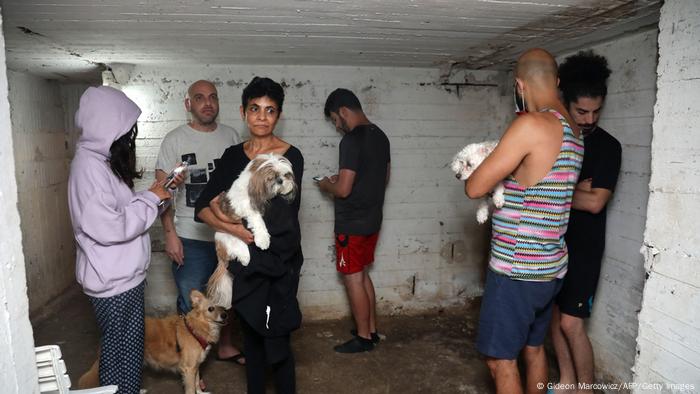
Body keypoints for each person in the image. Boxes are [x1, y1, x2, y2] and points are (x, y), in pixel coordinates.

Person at [465, 48, 584, 394]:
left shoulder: (530, 124)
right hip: (550, 267)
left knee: (500, 360)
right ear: (556, 82)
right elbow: (535, 179)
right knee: (533, 349)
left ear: (519, 85)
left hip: (517, 269)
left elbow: (475, 187)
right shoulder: (573, 130)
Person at [195, 76, 304, 394]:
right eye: (255, 108)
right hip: (245, 265)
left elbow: (285, 215)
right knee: (253, 341)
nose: (261, 116)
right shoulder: (232, 156)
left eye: (270, 110)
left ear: (278, 116)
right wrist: (234, 230)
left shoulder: (289, 157)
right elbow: (203, 206)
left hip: (279, 263)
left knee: (279, 342)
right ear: (243, 112)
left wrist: (237, 223)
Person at [68, 86, 173, 392]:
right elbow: (109, 228)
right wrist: (150, 199)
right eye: (125, 130)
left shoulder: (98, 162)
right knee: (123, 356)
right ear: (107, 126)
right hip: (112, 281)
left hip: (120, 276)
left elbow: (119, 209)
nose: (129, 138)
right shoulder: (87, 168)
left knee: (121, 352)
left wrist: (155, 195)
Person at [155, 80, 245, 365]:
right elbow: (161, 192)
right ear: (188, 104)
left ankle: (226, 347)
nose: (207, 103)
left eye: (212, 97)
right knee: (190, 302)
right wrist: (170, 235)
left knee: (225, 299)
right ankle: (189, 362)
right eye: (199, 98)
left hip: (226, 235)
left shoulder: (231, 136)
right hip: (189, 237)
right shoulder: (175, 139)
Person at [549, 51, 621, 394]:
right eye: (582, 111)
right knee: (552, 315)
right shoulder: (555, 140)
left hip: (585, 248)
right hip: (551, 242)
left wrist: (556, 190)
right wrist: (572, 189)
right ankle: (565, 383)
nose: (590, 118)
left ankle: (586, 389)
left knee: (571, 322)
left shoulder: (608, 147)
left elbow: (595, 202)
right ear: (567, 102)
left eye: (596, 111)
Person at [317, 88, 391, 353]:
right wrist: (347, 182)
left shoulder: (351, 140)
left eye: (336, 120)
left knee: (352, 278)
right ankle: (370, 329)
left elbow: (344, 190)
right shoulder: (380, 136)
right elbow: (382, 178)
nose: (338, 126)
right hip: (372, 219)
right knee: (362, 275)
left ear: (344, 112)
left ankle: (363, 338)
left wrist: (327, 185)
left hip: (351, 223)